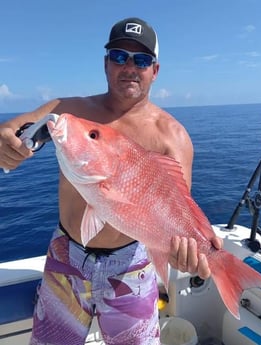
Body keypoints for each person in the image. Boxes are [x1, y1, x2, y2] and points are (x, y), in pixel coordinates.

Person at [0, 17, 222, 345]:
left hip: (133, 265)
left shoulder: (173, 138)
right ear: (106, 63)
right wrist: (5, 144)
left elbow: (177, 213)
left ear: (155, 71)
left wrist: (182, 254)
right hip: (66, 257)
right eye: (119, 56)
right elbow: (10, 131)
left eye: (142, 60)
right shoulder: (68, 111)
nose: (129, 67)